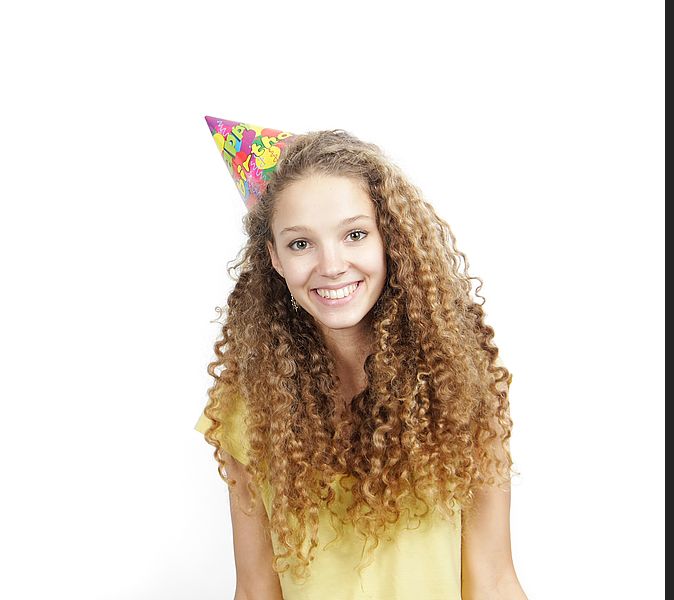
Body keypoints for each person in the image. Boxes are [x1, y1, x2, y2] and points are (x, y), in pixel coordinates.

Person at [195, 117, 527, 600]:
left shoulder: (460, 388)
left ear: (388, 237)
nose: (331, 265)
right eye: (301, 243)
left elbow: (494, 581)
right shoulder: (246, 413)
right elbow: (255, 591)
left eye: (353, 235)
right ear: (274, 257)